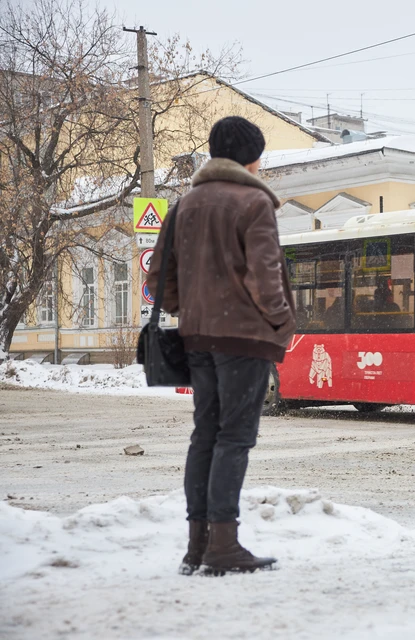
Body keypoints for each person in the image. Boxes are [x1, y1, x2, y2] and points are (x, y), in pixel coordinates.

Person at [147, 116, 295, 576]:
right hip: (245, 338)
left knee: (205, 436)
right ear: (251, 158)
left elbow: (159, 280)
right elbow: (266, 277)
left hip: (198, 337)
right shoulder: (253, 202)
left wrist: (190, 308)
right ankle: (225, 545)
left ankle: (198, 546)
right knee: (235, 437)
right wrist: (282, 323)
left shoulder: (184, 205)